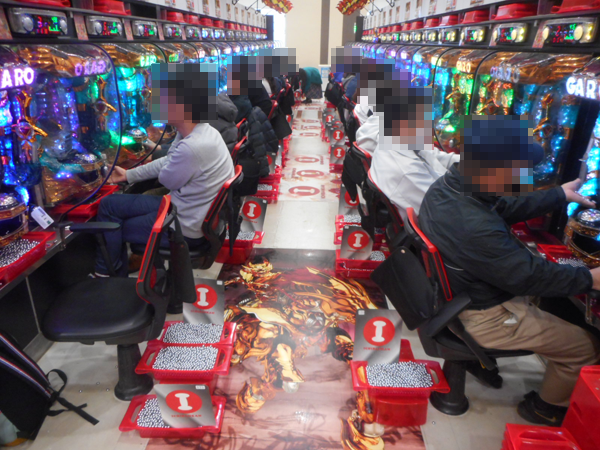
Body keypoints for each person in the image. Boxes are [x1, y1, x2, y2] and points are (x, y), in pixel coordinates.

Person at [419, 114, 600, 426]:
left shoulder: (449, 188)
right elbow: (528, 277)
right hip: (483, 315)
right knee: (585, 347)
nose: (525, 177)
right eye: (520, 170)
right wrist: (589, 278)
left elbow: (501, 209)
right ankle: (543, 408)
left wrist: (558, 194)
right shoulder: (475, 226)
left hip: (456, 298)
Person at [93, 63, 234, 277]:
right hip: (187, 210)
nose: (155, 104)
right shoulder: (203, 131)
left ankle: (107, 278)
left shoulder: (193, 146)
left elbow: (167, 178)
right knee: (109, 204)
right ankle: (114, 274)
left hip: (183, 226)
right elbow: (169, 161)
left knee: (116, 226)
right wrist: (128, 174)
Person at [369, 72, 459, 219]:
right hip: (442, 218)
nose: (431, 129)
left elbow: (436, 156)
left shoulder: (398, 142)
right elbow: (449, 206)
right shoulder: (409, 171)